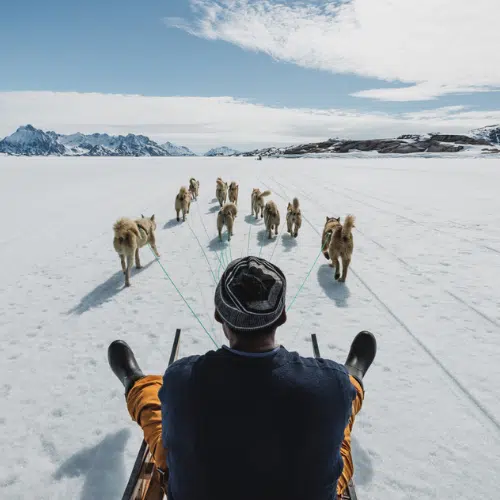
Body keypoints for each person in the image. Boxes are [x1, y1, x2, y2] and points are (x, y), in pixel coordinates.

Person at [108, 256, 376, 500]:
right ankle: (355, 377)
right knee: (340, 427)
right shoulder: (329, 383)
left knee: (159, 422)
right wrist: (344, 381)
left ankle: (135, 382)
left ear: (218, 315)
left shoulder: (181, 379)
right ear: (282, 315)